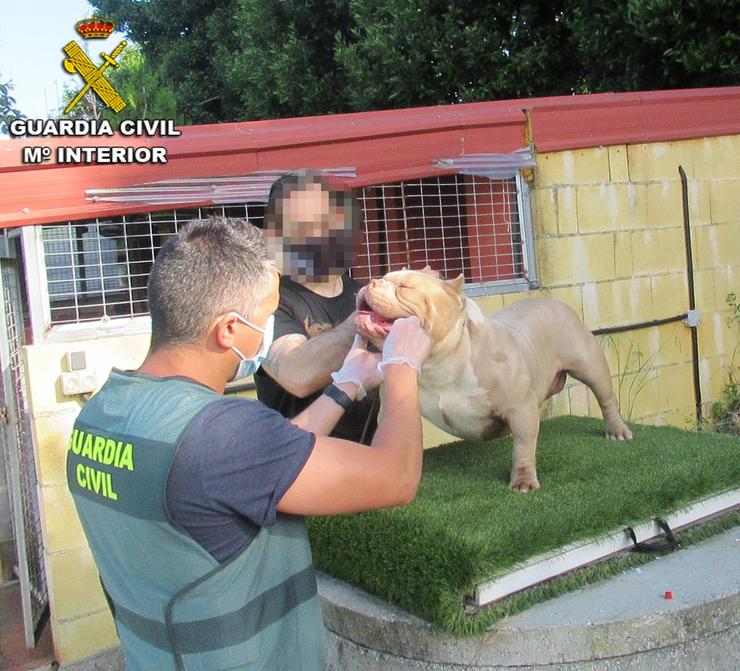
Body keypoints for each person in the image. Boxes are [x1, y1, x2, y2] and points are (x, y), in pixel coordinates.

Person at [66, 216, 431, 671]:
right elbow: (395, 477)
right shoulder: (220, 435)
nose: (269, 334)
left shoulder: (101, 415)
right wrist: (402, 365)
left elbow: (262, 463)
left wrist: (345, 385)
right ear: (229, 331)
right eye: (266, 317)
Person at [255, 171, 378, 443]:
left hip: (366, 463)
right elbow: (296, 373)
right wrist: (367, 321)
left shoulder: (360, 293)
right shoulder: (268, 300)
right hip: (297, 468)